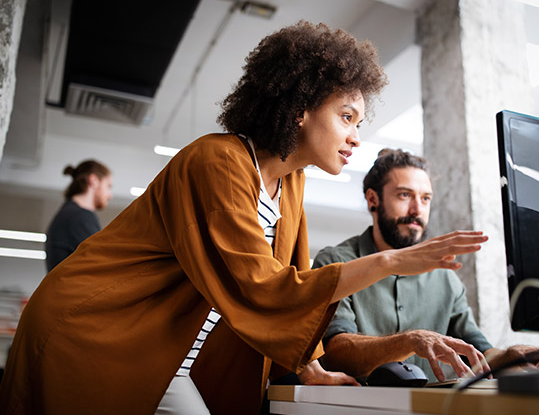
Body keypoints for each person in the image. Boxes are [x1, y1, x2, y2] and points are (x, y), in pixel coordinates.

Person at [0, 22, 488, 415]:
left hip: (167, 356)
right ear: (300, 108)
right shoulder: (218, 161)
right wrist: (390, 262)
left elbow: (292, 286)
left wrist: (312, 368)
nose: (356, 136)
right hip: (97, 331)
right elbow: (262, 288)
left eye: (359, 123)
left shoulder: (290, 182)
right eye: (346, 117)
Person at [313, 148, 537, 384]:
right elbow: (334, 353)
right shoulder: (336, 262)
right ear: (373, 199)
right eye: (404, 195)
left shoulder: (445, 276)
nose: (417, 210)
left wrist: (512, 356)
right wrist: (410, 341)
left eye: (425, 198)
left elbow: (478, 353)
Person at [45, 159, 113, 272]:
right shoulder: (78, 216)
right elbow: (102, 263)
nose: (110, 196)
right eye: (108, 186)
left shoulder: (71, 213)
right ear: (94, 180)